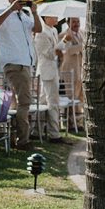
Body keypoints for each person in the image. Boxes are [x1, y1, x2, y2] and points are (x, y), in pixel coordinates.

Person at [0, 0, 42, 150]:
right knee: (25, 102)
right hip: (15, 63)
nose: (20, 2)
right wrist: (10, 9)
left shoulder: (25, 16)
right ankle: (23, 140)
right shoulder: (3, 12)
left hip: (26, 63)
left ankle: (14, 138)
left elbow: (38, 29)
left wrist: (34, 12)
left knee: (18, 103)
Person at [34, 14, 68, 144]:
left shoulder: (53, 30)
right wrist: (63, 42)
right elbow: (48, 53)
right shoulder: (41, 32)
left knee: (43, 101)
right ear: (46, 18)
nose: (56, 19)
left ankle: (36, 131)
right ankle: (54, 134)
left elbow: (56, 51)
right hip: (46, 70)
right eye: (53, 16)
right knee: (52, 101)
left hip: (53, 69)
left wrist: (61, 46)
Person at [59, 17, 84, 112]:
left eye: (78, 21)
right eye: (73, 22)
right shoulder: (63, 35)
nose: (76, 24)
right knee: (72, 97)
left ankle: (80, 124)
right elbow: (68, 50)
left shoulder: (83, 33)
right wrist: (83, 46)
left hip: (81, 70)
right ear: (68, 23)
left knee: (82, 97)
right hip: (70, 71)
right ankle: (71, 124)